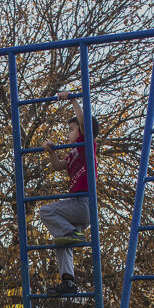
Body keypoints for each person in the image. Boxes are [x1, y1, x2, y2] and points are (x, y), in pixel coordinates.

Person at [38, 91, 99, 296]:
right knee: (61, 241)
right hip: (78, 209)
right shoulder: (72, 153)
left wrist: (72, 99)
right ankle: (68, 281)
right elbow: (58, 166)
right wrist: (51, 152)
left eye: (71, 129)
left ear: (81, 131)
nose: (68, 133)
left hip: (83, 201)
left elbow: (84, 122)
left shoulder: (86, 145)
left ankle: (71, 233)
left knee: (45, 211)